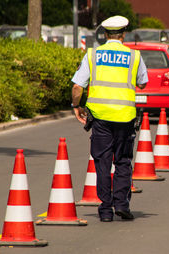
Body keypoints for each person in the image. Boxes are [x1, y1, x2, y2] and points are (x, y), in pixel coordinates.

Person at [71, 15, 148, 222]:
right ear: (123, 34)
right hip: (124, 118)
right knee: (123, 162)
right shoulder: (134, 56)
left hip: (100, 118)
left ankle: (105, 210)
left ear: (105, 35)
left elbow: (78, 86)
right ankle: (122, 204)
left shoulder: (92, 55)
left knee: (102, 163)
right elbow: (142, 83)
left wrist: (77, 106)